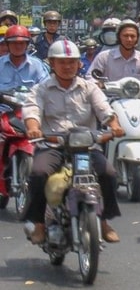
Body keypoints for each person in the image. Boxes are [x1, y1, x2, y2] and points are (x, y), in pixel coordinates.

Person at [20, 40, 124, 244]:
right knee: (39, 173)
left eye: (72, 62)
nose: (68, 67)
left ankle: (103, 222)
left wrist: (114, 125)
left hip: (85, 147)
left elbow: (105, 109)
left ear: (79, 64)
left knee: (108, 173)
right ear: (52, 63)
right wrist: (33, 128)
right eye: (62, 62)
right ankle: (39, 224)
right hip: (53, 146)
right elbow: (31, 110)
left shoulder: (89, 87)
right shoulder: (41, 89)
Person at [89, 20, 140, 84]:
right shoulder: (103, 57)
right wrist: (97, 83)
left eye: (132, 36)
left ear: (137, 38)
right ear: (118, 37)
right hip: (108, 95)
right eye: (125, 36)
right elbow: (90, 77)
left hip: (136, 96)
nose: (129, 39)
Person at [0, 24, 49, 92]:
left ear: (27, 44)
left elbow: (47, 88)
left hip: (30, 102)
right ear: (7, 44)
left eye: (21, 43)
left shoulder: (36, 66)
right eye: (14, 43)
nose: (18, 47)